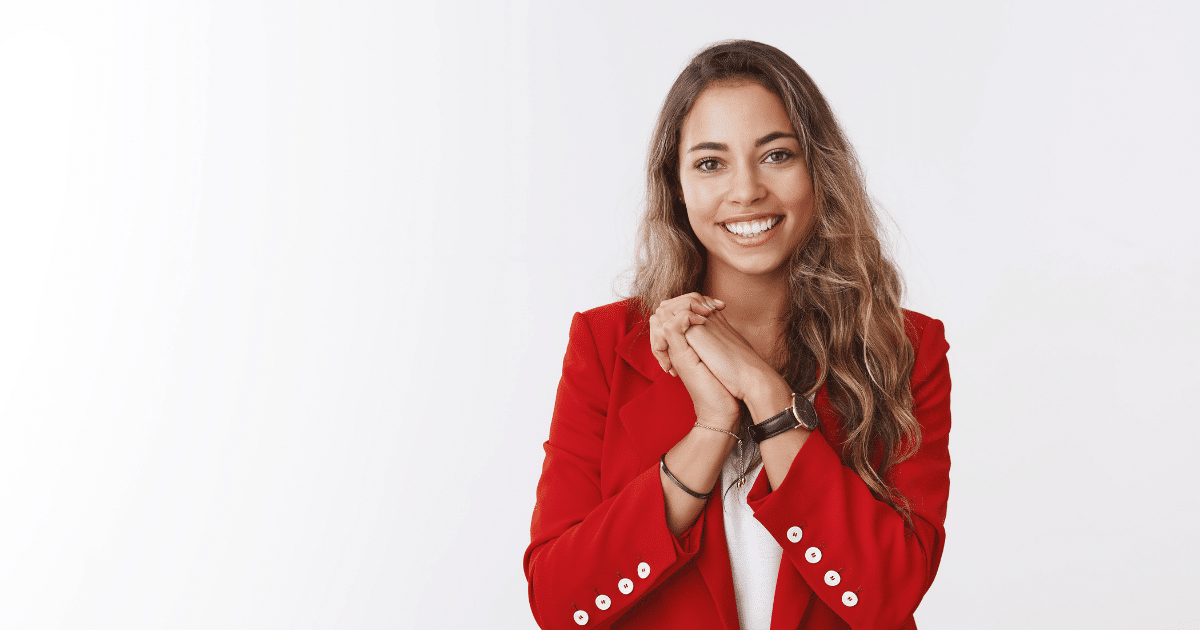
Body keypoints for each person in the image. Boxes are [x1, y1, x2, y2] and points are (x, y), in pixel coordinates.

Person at [523, 40, 951, 630]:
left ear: (819, 170)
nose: (746, 190)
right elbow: (558, 599)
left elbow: (888, 593)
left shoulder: (905, 350)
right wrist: (712, 428)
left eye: (777, 156)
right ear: (676, 185)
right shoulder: (605, 346)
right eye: (710, 162)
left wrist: (765, 394)